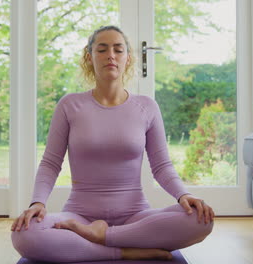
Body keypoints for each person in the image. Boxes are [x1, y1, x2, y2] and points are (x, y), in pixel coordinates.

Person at [11, 25, 214, 262]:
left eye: (118, 50)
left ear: (128, 58)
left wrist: (183, 195)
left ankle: (104, 236)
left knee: (201, 219)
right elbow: (50, 162)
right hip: (79, 217)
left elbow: (162, 166)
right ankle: (124, 250)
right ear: (89, 57)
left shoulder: (147, 107)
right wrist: (38, 202)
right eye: (102, 49)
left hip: (136, 216)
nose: (111, 56)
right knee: (24, 234)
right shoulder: (69, 105)